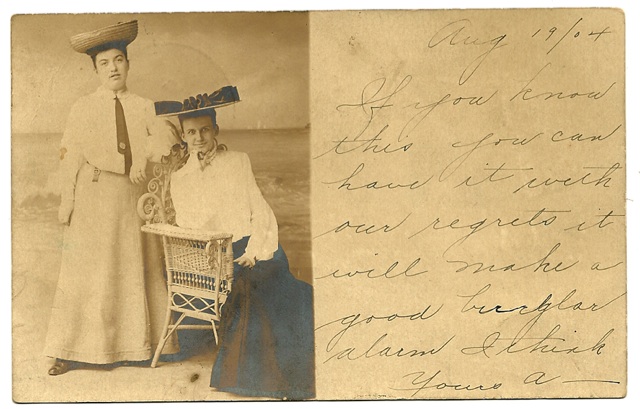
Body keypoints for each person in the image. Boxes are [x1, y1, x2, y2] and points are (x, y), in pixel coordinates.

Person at [155, 90, 315, 400]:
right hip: (216, 253)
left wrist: (255, 251)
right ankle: (266, 378)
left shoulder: (239, 161)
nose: (199, 137)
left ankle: (292, 372)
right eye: (191, 132)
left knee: (283, 286)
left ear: (215, 130)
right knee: (252, 290)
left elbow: (260, 210)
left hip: (254, 245)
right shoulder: (181, 177)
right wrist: (201, 178)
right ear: (184, 137)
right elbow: (193, 227)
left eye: (204, 129)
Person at [44, 20, 178, 375]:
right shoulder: (82, 107)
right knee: (90, 271)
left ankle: (137, 346)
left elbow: (165, 140)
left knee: (132, 267)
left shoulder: (144, 105)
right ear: (95, 70)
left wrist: (142, 157)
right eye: (104, 63)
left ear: (128, 64)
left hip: (131, 198)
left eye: (119, 60)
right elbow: (69, 155)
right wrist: (67, 202)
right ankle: (70, 349)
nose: (113, 68)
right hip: (95, 194)